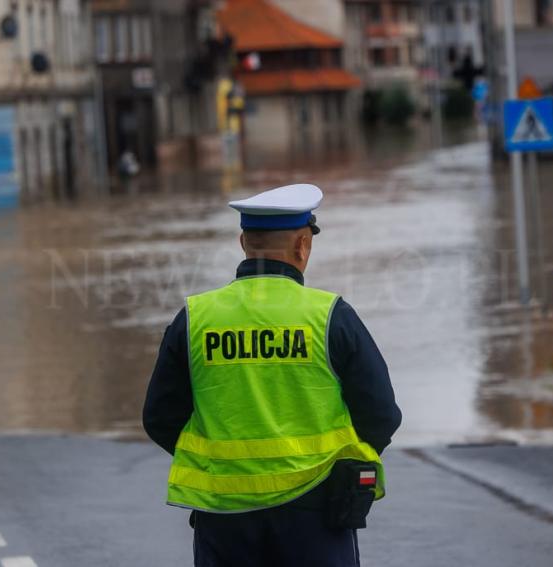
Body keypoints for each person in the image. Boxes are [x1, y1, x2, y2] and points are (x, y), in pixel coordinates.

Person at [143, 183, 401, 567]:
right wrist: (342, 464)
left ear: (243, 242)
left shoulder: (195, 318)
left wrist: (222, 466)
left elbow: (160, 418)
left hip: (224, 516)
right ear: (302, 246)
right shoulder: (330, 316)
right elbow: (381, 413)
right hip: (317, 511)